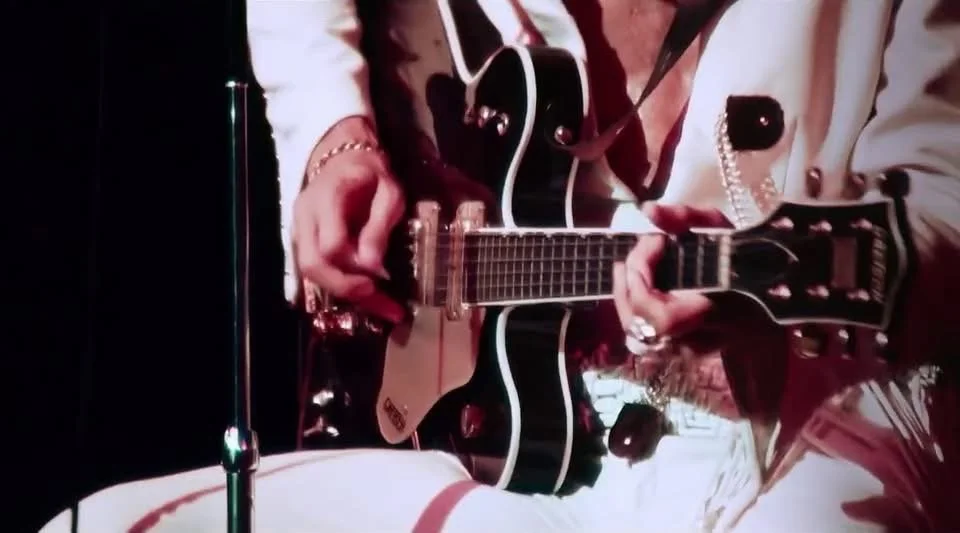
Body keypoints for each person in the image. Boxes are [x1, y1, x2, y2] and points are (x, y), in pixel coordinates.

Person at [40, 0, 960, 531]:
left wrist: (747, 303)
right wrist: (332, 131)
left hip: (795, 447)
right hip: (486, 443)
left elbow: (944, 206)